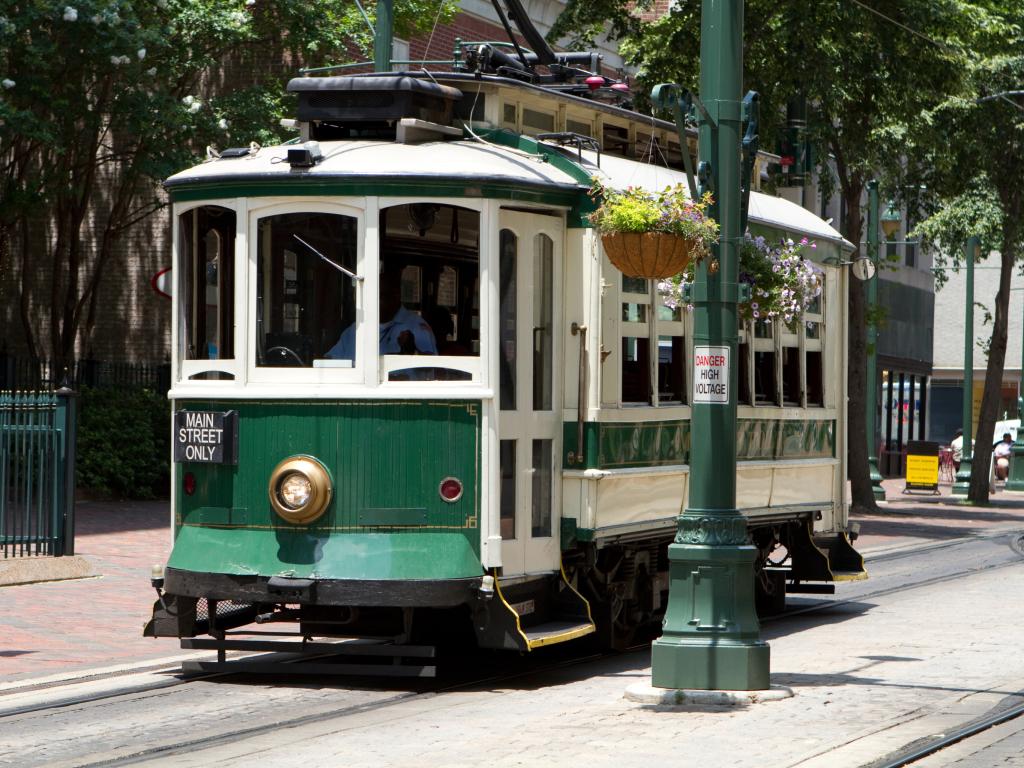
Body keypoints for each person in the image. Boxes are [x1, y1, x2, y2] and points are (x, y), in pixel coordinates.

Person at [327, 266, 437, 361]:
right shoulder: (356, 330)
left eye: (378, 296)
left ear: (395, 297)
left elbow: (431, 370)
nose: (372, 302)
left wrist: (413, 353)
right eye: (369, 297)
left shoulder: (417, 328)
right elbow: (331, 360)